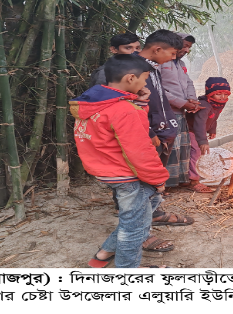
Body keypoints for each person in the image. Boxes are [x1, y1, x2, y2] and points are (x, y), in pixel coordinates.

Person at [70, 55, 167, 268]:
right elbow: (139, 151)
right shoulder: (125, 110)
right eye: (144, 80)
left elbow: (115, 130)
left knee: (135, 217)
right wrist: (159, 179)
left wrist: (139, 102)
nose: (144, 85)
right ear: (131, 78)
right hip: (128, 176)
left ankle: (104, 254)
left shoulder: (93, 104)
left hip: (106, 171)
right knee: (136, 228)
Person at [91, 31, 193, 228]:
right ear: (157, 49)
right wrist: (150, 133)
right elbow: (118, 108)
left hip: (161, 131)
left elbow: (156, 99)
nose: (173, 58)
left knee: (149, 184)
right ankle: (135, 227)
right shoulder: (126, 69)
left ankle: (152, 214)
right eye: (172, 54)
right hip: (143, 135)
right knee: (136, 183)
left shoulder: (152, 67)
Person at [159, 33, 202, 190]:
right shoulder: (160, 63)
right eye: (184, 46)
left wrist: (191, 99)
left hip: (181, 112)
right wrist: (182, 103)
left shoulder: (180, 64)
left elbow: (189, 82)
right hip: (166, 112)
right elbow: (160, 90)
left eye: (189, 47)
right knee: (167, 149)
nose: (186, 50)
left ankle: (179, 180)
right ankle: (163, 185)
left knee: (181, 148)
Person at [187, 77, 231, 183]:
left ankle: (197, 173)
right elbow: (199, 124)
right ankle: (193, 179)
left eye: (225, 94)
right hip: (191, 131)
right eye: (219, 93)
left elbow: (213, 118)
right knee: (197, 151)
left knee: (200, 153)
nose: (222, 97)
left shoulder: (217, 104)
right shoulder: (204, 105)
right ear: (210, 93)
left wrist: (212, 130)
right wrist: (202, 141)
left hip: (198, 132)